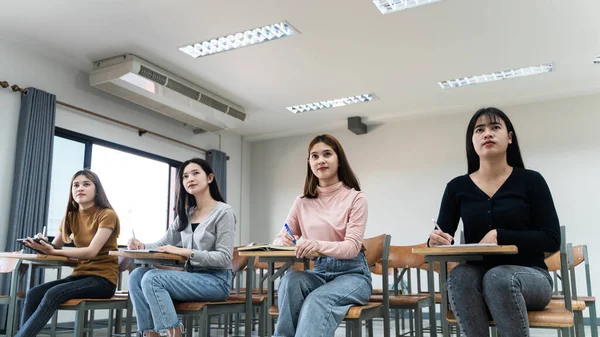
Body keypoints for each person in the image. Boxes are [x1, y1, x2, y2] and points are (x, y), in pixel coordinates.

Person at [428, 107, 560, 337]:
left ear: (509, 137)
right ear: (472, 141)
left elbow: (551, 239)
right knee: (459, 276)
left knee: (498, 277)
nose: (487, 133)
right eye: (480, 130)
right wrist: (434, 241)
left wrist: (501, 235)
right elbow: (442, 236)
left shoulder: (531, 180)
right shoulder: (456, 187)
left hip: (531, 276)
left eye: (495, 127)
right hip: (478, 276)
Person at [272, 134, 372, 337]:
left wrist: (316, 245)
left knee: (316, 301)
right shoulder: (301, 202)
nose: (321, 160)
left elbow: (352, 247)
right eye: (314, 156)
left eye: (327, 154)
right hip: (319, 271)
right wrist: (286, 241)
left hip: (353, 274)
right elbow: (280, 238)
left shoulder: (356, 198)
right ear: (309, 163)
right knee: (289, 281)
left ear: (339, 159)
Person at [127, 158, 235, 337]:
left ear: (209, 178)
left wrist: (187, 252)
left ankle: (173, 334)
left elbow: (224, 258)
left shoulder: (224, 212)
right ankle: (149, 334)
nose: (190, 179)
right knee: (137, 276)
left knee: (152, 278)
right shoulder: (186, 214)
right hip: (191, 277)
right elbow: (163, 243)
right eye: (185, 176)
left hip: (217, 281)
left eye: (195, 173)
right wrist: (141, 245)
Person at [18, 169, 120, 337]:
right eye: (76, 185)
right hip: (79, 275)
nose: (80, 188)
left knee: (53, 293)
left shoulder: (107, 214)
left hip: (103, 280)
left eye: (86, 184)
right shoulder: (71, 216)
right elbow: (55, 247)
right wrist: (42, 244)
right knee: (33, 293)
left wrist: (53, 250)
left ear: (96, 191)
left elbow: (91, 252)